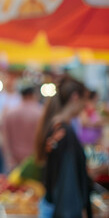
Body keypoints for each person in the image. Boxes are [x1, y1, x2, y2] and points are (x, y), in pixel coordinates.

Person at [34, 76, 92, 218]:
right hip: (63, 208)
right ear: (75, 97)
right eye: (84, 99)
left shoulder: (55, 126)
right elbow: (68, 180)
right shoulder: (64, 132)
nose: (85, 105)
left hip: (52, 203)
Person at [2, 86, 42, 171]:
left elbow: (5, 139)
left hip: (15, 160)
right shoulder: (40, 113)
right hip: (34, 159)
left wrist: (8, 158)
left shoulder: (10, 113)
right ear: (32, 95)